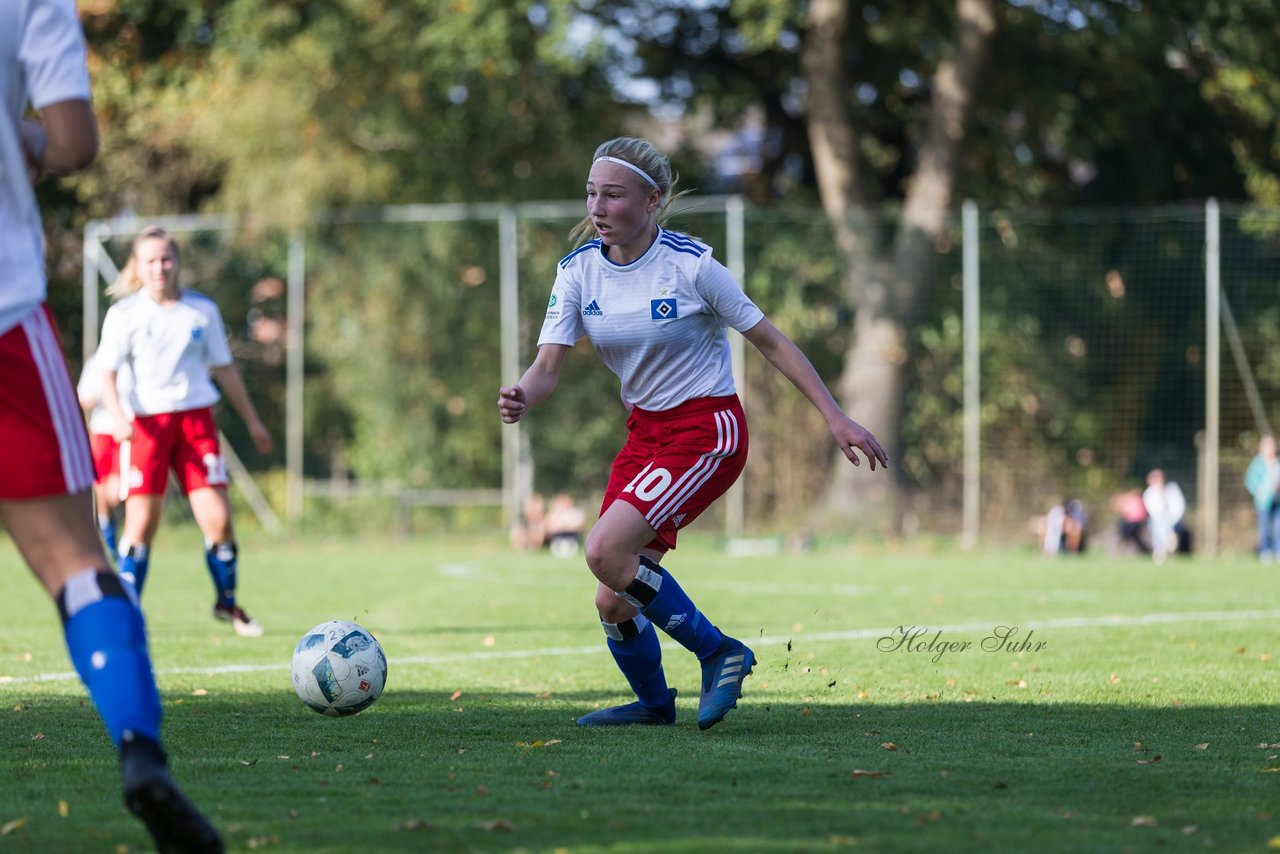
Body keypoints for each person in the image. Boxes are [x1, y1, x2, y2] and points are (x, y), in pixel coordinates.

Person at [497, 137, 887, 730]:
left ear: (652, 200)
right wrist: (524, 392)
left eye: (614, 194)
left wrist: (835, 415)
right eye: (591, 193)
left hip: (708, 431)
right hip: (646, 435)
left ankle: (719, 652)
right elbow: (547, 367)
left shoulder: (692, 265)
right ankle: (656, 706)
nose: (598, 207)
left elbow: (773, 343)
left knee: (604, 550)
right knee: (611, 596)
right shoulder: (578, 272)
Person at [0, 2, 222, 849]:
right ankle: (139, 751)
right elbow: (72, 142)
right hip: (6, 313)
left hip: (179, 422)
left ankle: (225, 593)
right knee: (76, 563)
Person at [96, 225, 273, 637]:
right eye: (151, 260)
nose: (160, 267)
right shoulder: (124, 315)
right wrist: (118, 416)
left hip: (195, 423)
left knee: (219, 522)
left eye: (166, 259)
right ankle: (128, 615)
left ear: (177, 262)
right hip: (146, 427)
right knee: (140, 527)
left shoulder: (201, 311)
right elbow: (106, 371)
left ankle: (227, 603)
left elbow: (224, 368)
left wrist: (253, 420)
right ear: (138, 267)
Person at [76, 350, 133, 559]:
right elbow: (82, 398)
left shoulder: (133, 360)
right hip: (102, 433)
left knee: (116, 493)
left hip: (126, 433)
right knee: (100, 494)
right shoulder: (96, 363)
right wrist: (100, 396)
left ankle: (123, 538)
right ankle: (110, 547)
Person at [1244, 434, 1280, 563]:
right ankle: (1264, 551)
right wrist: (1258, 491)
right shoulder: (1258, 462)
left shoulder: (1277, 461)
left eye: (1272, 445)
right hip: (1264, 500)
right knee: (1264, 526)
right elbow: (1250, 480)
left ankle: (1277, 551)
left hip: (1278, 499)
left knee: (1278, 526)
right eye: (1267, 445)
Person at [1142, 468, 1187, 564]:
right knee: (1158, 523)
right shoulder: (1150, 493)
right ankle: (1168, 539)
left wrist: (1171, 521)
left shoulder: (1172, 488)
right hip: (1157, 520)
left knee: (1161, 523)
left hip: (1173, 519)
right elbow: (1154, 511)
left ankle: (1161, 549)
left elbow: (1179, 507)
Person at [545, 492, 586, 559]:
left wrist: (567, 526)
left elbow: (580, 525)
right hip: (557, 536)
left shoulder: (575, 512)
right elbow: (549, 527)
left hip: (571, 535)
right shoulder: (554, 513)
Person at [1109, 487, 1150, 555]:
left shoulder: (1134, 500)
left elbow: (1127, 513)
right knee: (1135, 537)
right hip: (1133, 522)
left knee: (1131, 536)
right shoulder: (1133, 500)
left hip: (1134, 523)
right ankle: (1144, 551)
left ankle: (1142, 550)